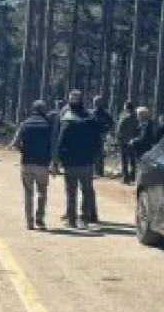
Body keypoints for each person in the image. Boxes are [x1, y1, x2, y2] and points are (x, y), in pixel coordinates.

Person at [57, 90, 101, 228]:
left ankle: (71, 221)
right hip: (87, 162)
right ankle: (85, 220)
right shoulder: (91, 119)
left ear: (70, 103)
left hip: (71, 163)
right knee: (87, 191)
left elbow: (61, 143)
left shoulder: (67, 120)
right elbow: (97, 141)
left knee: (71, 192)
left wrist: (61, 160)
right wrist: (92, 156)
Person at [13, 101, 53, 230]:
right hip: (43, 164)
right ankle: (40, 220)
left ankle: (29, 222)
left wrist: (24, 151)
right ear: (44, 110)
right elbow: (53, 144)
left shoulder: (25, 123)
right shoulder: (48, 125)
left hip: (27, 163)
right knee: (42, 192)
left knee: (28, 193)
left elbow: (15, 143)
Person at [115, 101, 139, 184]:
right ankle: (133, 177)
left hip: (124, 142)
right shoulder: (137, 118)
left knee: (124, 160)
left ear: (126, 108)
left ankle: (126, 178)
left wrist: (118, 139)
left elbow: (119, 131)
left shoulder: (124, 117)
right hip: (134, 142)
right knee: (133, 161)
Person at [92, 96, 115, 178]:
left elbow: (111, 123)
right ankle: (93, 170)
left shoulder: (105, 113)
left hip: (100, 135)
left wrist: (105, 130)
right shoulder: (91, 112)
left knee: (99, 152)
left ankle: (100, 171)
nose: (95, 103)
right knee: (92, 152)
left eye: (97, 101)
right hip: (91, 134)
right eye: (95, 101)